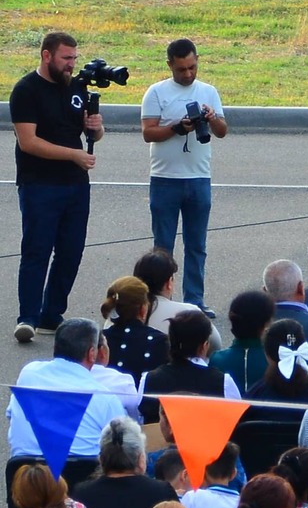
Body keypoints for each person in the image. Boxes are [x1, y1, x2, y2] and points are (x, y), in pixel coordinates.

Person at [12, 32, 102, 340]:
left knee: (71, 251)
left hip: (76, 185)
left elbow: (93, 133)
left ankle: (52, 314)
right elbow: (28, 142)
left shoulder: (76, 88)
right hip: (39, 184)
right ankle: (28, 317)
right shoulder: (26, 90)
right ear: (46, 56)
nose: (71, 65)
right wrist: (74, 155)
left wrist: (96, 128)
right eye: (66, 58)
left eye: (74, 59)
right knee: (37, 250)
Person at [136, 38, 227, 313]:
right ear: (169, 65)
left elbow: (222, 131)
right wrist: (177, 128)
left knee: (196, 245)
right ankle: (159, 302)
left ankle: (194, 301)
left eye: (192, 67)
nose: (187, 74)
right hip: (165, 179)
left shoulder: (209, 91)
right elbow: (148, 133)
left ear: (197, 60)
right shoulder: (156, 92)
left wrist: (211, 119)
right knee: (162, 247)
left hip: (199, 178)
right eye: (181, 69)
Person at [7, 318, 127, 458]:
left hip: (21, 473)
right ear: (92, 354)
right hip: (81, 476)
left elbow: (11, 415)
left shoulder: (29, 372)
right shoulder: (106, 398)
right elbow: (123, 448)